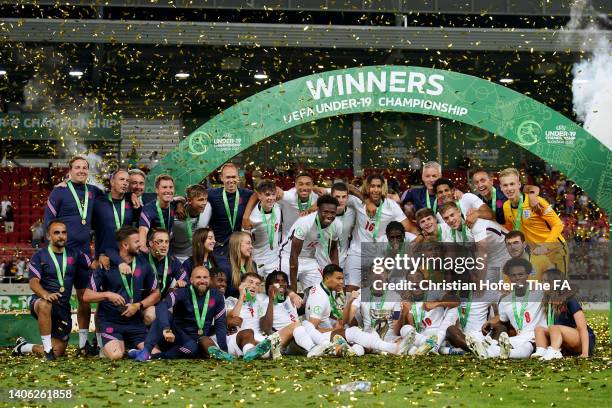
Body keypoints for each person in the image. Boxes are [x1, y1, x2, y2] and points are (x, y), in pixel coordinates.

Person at [43, 156, 104, 354]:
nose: (81, 170)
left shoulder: (94, 192)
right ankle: (54, 341)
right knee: (60, 298)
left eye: (85, 168)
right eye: (77, 167)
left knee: (84, 298)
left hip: (85, 255)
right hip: (62, 256)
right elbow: (48, 223)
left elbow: (116, 198)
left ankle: (83, 344)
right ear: (69, 171)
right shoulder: (58, 192)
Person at [12, 221, 91, 359]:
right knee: (45, 304)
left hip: (62, 307)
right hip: (40, 300)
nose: (61, 236)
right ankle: (47, 350)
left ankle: (24, 347)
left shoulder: (75, 254)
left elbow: (92, 264)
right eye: (56, 233)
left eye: (64, 232)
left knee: (58, 352)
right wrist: (45, 294)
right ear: (48, 236)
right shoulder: (39, 256)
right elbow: (33, 282)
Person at [83, 226, 160, 360]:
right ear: (125, 245)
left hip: (135, 322)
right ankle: (106, 346)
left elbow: (156, 293)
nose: (140, 245)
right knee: (116, 355)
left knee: (155, 354)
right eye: (136, 242)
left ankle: (130, 348)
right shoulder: (106, 264)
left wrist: (138, 305)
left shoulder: (143, 262)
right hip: (111, 321)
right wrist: (107, 294)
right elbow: (86, 296)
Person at [303, 264, 412, 357]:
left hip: (388, 337)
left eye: (381, 272)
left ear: (387, 275)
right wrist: (350, 303)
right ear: (369, 276)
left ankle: (355, 350)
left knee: (406, 332)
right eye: (375, 272)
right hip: (368, 334)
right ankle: (386, 349)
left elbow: (396, 326)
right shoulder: (360, 293)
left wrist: (403, 314)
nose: (342, 282)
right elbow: (348, 320)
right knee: (359, 335)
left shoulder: (395, 297)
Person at [132, 266, 234, 362]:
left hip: (196, 342)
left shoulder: (217, 296)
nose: (202, 280)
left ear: (210, 280)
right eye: (198, 277)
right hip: (176, 336)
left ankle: (152, 356)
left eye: (205, 277)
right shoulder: (182, 292)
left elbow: (220, 324)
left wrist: (223, 350)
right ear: (191, 280)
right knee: (164, 313)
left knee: (193, 349)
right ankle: (147, 349)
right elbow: (162, 305)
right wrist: (166, 329)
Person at [344, 174, 413, 292]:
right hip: (357, 253)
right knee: (351, 289)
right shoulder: (357, 201)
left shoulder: (391, 205)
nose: (376, 190)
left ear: (383, 188)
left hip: (379, 256)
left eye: (379, 186)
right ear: (366, 187)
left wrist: (422, 236)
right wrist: (366, 201)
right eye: (372, 186)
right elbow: (345, 187)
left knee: (380, 289)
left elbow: (408, 227)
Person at [467, 257, 546, 359]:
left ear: (527, 275)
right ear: (509, 277)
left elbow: (564, 288)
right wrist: (491, 322)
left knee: (526, 345)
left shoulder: (540, 291)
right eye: (513, 275)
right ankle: (489, 350)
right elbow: (502, 320)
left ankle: (489, 350)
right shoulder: (505, 301)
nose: (517, 278)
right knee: (515, 342)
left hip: (540, 336)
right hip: (520, 337)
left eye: (521, 274)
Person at [499, 168, 567, 275]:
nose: (509, 188)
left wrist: (545, 246)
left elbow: (558, 224)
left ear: (519, 185)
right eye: (505, 185)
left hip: (554, 251)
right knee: (538, 290)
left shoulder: (536, 202)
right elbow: (510, 229)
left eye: (512, 184)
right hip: (535, 255)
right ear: (501, 188)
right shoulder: (506, 206)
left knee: (558, 289)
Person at [259, 270, 333, 357]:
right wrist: (271, 299)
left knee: (306, 323)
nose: (281, 284)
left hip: (298, 337)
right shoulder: (264, 302)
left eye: (283, 281)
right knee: (297, 326)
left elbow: (300, 303)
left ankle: (326, 345)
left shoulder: (289, 298)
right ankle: (313, 348)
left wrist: (292, 294)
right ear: (269, 286)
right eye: (277, 281)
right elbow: (265, 328)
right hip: (283, 341)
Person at [207, 163, 254, 296]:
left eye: (233, 177)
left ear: (238, 178)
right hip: (220, 249)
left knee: (240, 284)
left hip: (238, 248)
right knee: (221, 284)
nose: (231, 180)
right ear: (221, 178)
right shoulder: (212, 194)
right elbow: (193, 196)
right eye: (227, 177)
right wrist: (180, 202)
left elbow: (259, 194)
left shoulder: (246, 194)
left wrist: (246, 214)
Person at [279, 195, 341, 293]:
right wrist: (293, 286)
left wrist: (337, 276)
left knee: (321, 292)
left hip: (310, 259)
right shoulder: (305, 222)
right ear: (318, 210)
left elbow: (333, 249)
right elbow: (294, 254)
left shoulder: (337, 225)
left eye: (332, 213)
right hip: (288, 257)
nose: (329, 215)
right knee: (286, 292)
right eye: (325, 212)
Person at [438, 202, 510, 282]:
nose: (450, 220)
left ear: (459, 212)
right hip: (492, 259)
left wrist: (479, 281)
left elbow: (482, 253)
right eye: (446, 218)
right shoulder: (452, 234)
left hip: (507, 251)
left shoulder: (474, 222)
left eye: (452, 215)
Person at [533, 268, 595, 359]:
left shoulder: (570, 300)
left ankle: (554, 351)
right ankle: (542, 351)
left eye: (546, 281)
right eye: (542, 281)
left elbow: (583, 328)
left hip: (582, 341)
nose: (542, 283)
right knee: (539, 329)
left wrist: (585, 352)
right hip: (564, 339)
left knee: (554, 327)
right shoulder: (547, 300)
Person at [395, 270, 460, 355]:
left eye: (418, 277)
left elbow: (457, 301)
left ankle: (436, 345)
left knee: (453, 309)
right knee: (404, 329)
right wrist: (404, 313)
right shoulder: (406, 302)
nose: (415, 281)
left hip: (440, 335)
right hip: (422, 339)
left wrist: (436, 304)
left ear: (423, 281)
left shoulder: (434, 292)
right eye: (411, 279)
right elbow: (404, 330)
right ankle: (440, 349)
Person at [142, 229, 185, 323]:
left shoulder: (173, 261)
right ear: (150, 243)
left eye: (166, 242)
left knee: (151, 314)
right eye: (160, 241)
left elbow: (185, 281)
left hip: (160, 305)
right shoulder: (141, 258)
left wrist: (179, 284)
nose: (164, 245)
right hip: (140, 303)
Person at [92, 170, 135, 264]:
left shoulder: (132, 203)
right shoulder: (98, 202)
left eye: (127, 181)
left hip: (126, 257)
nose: (125, 183)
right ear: (112, 182)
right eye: (121, 179)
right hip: (103, 258)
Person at [246, 180, 282, 278]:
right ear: (259, 196)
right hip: (257, 260)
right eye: (267, 195)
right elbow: (245, 239)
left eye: (273, 194)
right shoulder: (252, 218)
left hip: (274, 259)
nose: (271, 198)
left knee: (275, 288)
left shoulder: (278, 207)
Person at [171, 184, 210, 263]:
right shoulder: (177, 217)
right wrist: (178, 202)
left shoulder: (208, 208)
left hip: (196, 257)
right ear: (189, 201)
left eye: (206, 199)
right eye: (200, 200)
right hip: (177, 257)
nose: (204, 203)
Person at [138, 174, 177, 253]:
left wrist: (180, 203)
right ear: (157, 190)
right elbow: (143, 230)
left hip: (166, 248)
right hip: (152, 251)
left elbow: (180, 199)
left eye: (171, 187)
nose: (168, 190)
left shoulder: (173, 204)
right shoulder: (148, 209)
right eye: (164, 187)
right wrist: (142, 245)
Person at [228, 231, 257, 295]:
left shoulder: (253, 265)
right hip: (233, 304)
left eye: (251, 244)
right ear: (237, 245)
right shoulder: (227, 267)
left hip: (250, 303)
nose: (251, 246)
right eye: (248, 243)